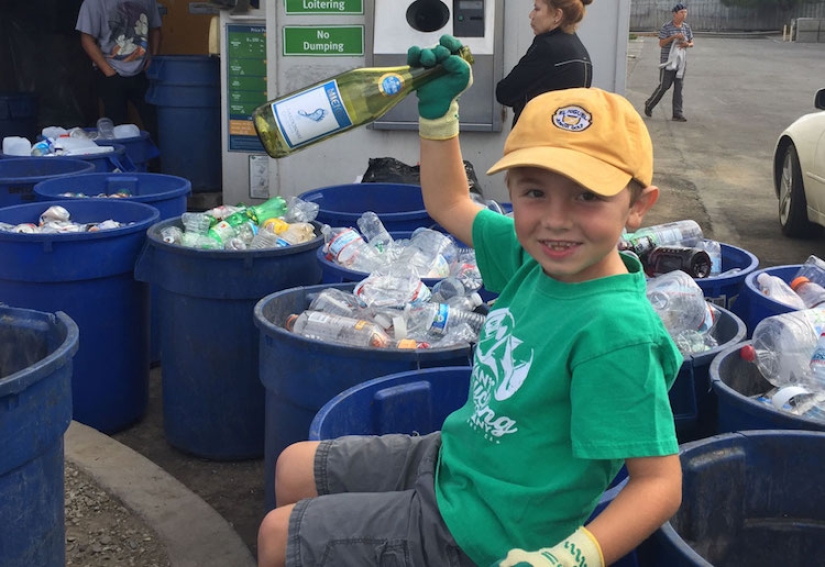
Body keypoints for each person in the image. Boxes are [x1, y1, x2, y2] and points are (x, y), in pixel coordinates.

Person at [256, 36, 683, 567]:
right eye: (533, 192)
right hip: (453, 460)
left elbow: (659, 484)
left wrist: (571, 556)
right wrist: (437, 115)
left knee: (278, 535)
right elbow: (449, 202)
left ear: (638, 205)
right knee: (294, 465)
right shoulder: (537, 258)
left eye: (586, 195)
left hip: (481, 533)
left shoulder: (616, 331)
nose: (554, 218)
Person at [496, 0, 593, 127]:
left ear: (557, 16)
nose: (531, 15)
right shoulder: (579, 49)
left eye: (537, 9)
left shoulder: (547, 47)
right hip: (567, 138)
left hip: (539, 138)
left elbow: (505, 92)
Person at [75, 0, 162, 133]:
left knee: (155, 122)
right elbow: (86, 40)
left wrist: (153, 58)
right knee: (117, 128)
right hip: (111, 71)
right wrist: (109, 72)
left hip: (142, 72)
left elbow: (156, 29)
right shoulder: (94, 3)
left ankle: (156, 153)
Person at [644, 3, 694, 122]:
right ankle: (649, 104)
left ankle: (677, 113)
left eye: (685, 12)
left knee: (678, 87)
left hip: (680, 62)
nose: (684, 15)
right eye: (681, 12)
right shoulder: (666, 27)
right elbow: (661, 43)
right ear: (675, 14)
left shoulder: (686, 27)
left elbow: (692, 42)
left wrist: (687, 44)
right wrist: (673, 37)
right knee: (664, 86)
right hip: (668, 62)